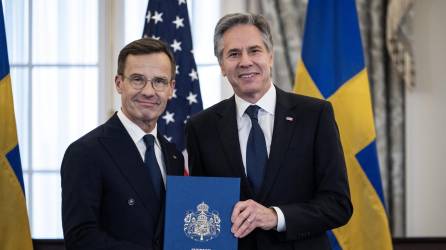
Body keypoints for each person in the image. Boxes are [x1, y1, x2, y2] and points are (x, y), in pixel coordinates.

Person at [185, 13, 353, 250]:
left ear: (270, 56)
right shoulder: (201, 127)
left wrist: (276, 217)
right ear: (222, 66)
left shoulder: (315, 115)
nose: (245, 62)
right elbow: (202, 204)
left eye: (254, 50)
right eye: (233, 54)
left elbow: (338, 205)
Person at [61, 38, 184, 250]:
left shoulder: (174, 156)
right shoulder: (85, 153)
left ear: (171, 88)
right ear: (119, 83)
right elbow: (80, 238)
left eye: (160, 81)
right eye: (137, 79)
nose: (148, 91)